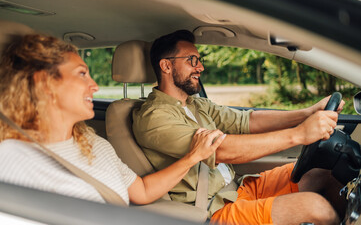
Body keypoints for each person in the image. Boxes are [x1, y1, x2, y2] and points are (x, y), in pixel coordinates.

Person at [132, 30, 346, 225]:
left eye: (200, 60)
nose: (201, 67)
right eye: (192, 60)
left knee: (325, 170)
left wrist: (306, 113)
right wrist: (299, 134)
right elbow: (220, 150)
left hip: (237, 189)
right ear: (166, 66)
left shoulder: (196, 104)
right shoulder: (154, 117)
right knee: (317, 209)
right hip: (213, 209)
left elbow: (247, 121)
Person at [0, 33, 226, 207]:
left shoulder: (92, 142)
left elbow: (143, 190)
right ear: (44, 83)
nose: (94, 86)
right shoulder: (12, 159)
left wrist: (192, 157)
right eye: (81, 74)